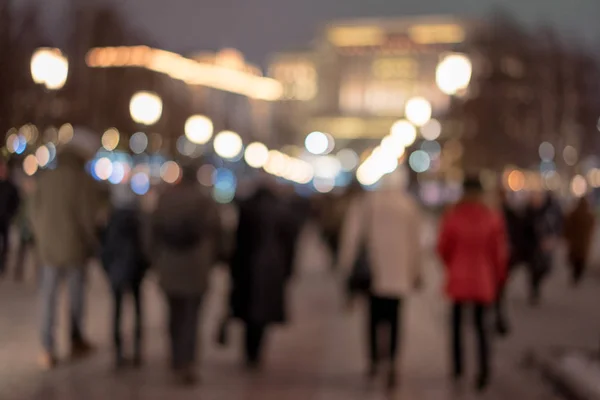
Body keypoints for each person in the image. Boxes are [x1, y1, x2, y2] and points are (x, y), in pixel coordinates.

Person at [339, 170, 423, 389]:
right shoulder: (408, 205)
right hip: (398, 274)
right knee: (395, 318)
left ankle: (374, 359)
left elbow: (351, 237)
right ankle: (393, 360)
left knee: (373, 318)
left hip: (373, 273)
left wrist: (346, 267)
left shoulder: (367, 203)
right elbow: (416, 243)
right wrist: (416, 271)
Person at [30, 148, 100, 369]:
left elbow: (33, 211)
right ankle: (75, 340)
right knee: (75, 298)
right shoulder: (81, 181)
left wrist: (42, 236)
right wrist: (93, 243)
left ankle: (47, 348)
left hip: (48, 249)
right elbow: (86, 216)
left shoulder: (45, 178)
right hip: (74, 248)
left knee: (48, 299)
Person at [151, 165, 222, 385]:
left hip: (169, 266)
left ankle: (175, 357)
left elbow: (151, 230)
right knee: (192, 317)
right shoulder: (205, 201)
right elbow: (217, 231)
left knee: (173, 314)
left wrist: (155, 259)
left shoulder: (165, 199)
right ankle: (187, 362)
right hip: (196, 266)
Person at [437, 177, 508, 392]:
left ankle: (458, 370)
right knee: (481, 328)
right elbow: (499, 252)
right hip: (482, 278)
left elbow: (442, 247)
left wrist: (452, 265)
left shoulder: (453, 216)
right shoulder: (491, 217)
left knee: (456, 327)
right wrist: (499, 277)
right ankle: (483, 372)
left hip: (459, 277)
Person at [229, 181, 295, 368]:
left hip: (248, 267)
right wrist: (288, 269)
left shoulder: (248, 208)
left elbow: (238, 242)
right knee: (262, 312)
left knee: (249, 311)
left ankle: (250, 352)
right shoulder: (281, 210)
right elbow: (289, 245)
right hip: (272, 268)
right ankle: (256, 352)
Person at [100, 189, 149, 368]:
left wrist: (108, 268)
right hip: (135, 271)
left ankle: (119, 351)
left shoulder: (111, 221)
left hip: (117, 271)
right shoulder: (139, 220)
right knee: (137, 310)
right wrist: (144, 268)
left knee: (117, 311)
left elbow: (105, 250)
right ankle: (137, 350)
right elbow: (145, 248)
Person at [494, 189, 526, 336]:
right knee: (498, 294)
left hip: (501, 261)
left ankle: (499, 321)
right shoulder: (492, 215)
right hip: (496, 262)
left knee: (499, 294)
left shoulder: (505, 215)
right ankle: (499, 321)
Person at [522, 191, 563, 305]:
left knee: (544, 268)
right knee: (533, 270)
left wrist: (551, 239)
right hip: (532, 247)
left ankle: (536, 287)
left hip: (543, 247)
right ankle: (534, 290)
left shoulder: (547, 212)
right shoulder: (528, 212)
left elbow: (556, 225)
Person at [564, 197, 595, 286]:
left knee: (575, 260)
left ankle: (575, 276)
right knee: (580, 261)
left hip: (576, 243)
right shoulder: (589, 215)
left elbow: (567, 227)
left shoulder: (573, 214)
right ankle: (577, 276)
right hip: (582, 244)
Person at [0, 159, 20, 277]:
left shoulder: (11, 186)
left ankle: (3, 265)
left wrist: (11, 214)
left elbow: (16, 202)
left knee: (5, 244)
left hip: (5, 219)